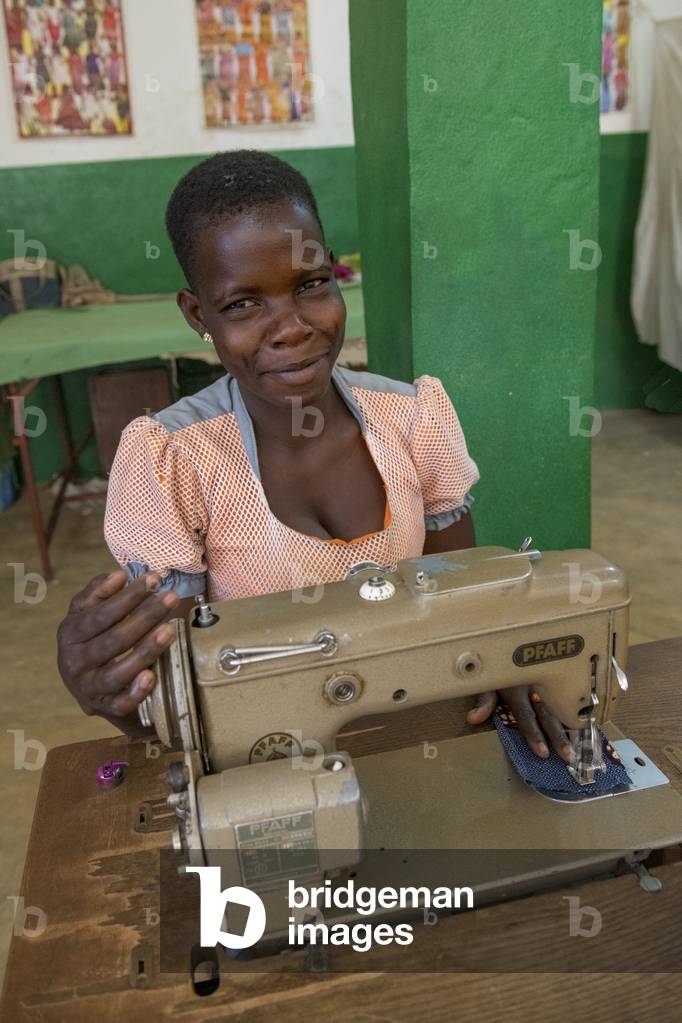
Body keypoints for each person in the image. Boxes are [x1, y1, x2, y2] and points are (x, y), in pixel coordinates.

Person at [56, 150, 575, 765]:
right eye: (243, 304)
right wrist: (110, 696)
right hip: (271, 750)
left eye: (310, 286)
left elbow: (456, 599)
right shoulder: (172, 463)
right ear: (199, 315)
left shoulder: (412, 419)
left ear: (334, 275)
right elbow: (179, 705)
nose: (293, 327)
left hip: (415, 730)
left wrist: (501, 658)